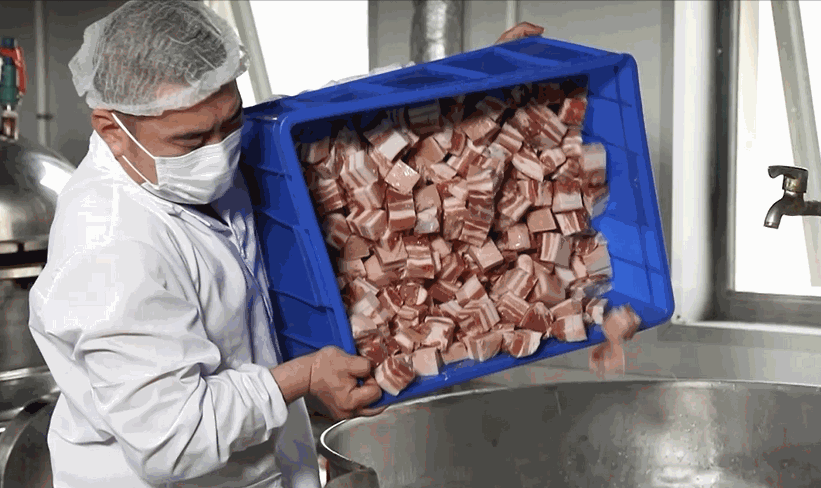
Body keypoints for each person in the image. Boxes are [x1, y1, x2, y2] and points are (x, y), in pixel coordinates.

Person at [28, 1, 544, 486]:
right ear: (112, 129)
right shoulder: (109, 248)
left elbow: (330, 104)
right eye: (191, 139)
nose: (220, 151)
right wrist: (306, 377)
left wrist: (475, 78)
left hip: (270, 465)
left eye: (230, 121)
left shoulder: (185, 163)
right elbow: (173, 438)